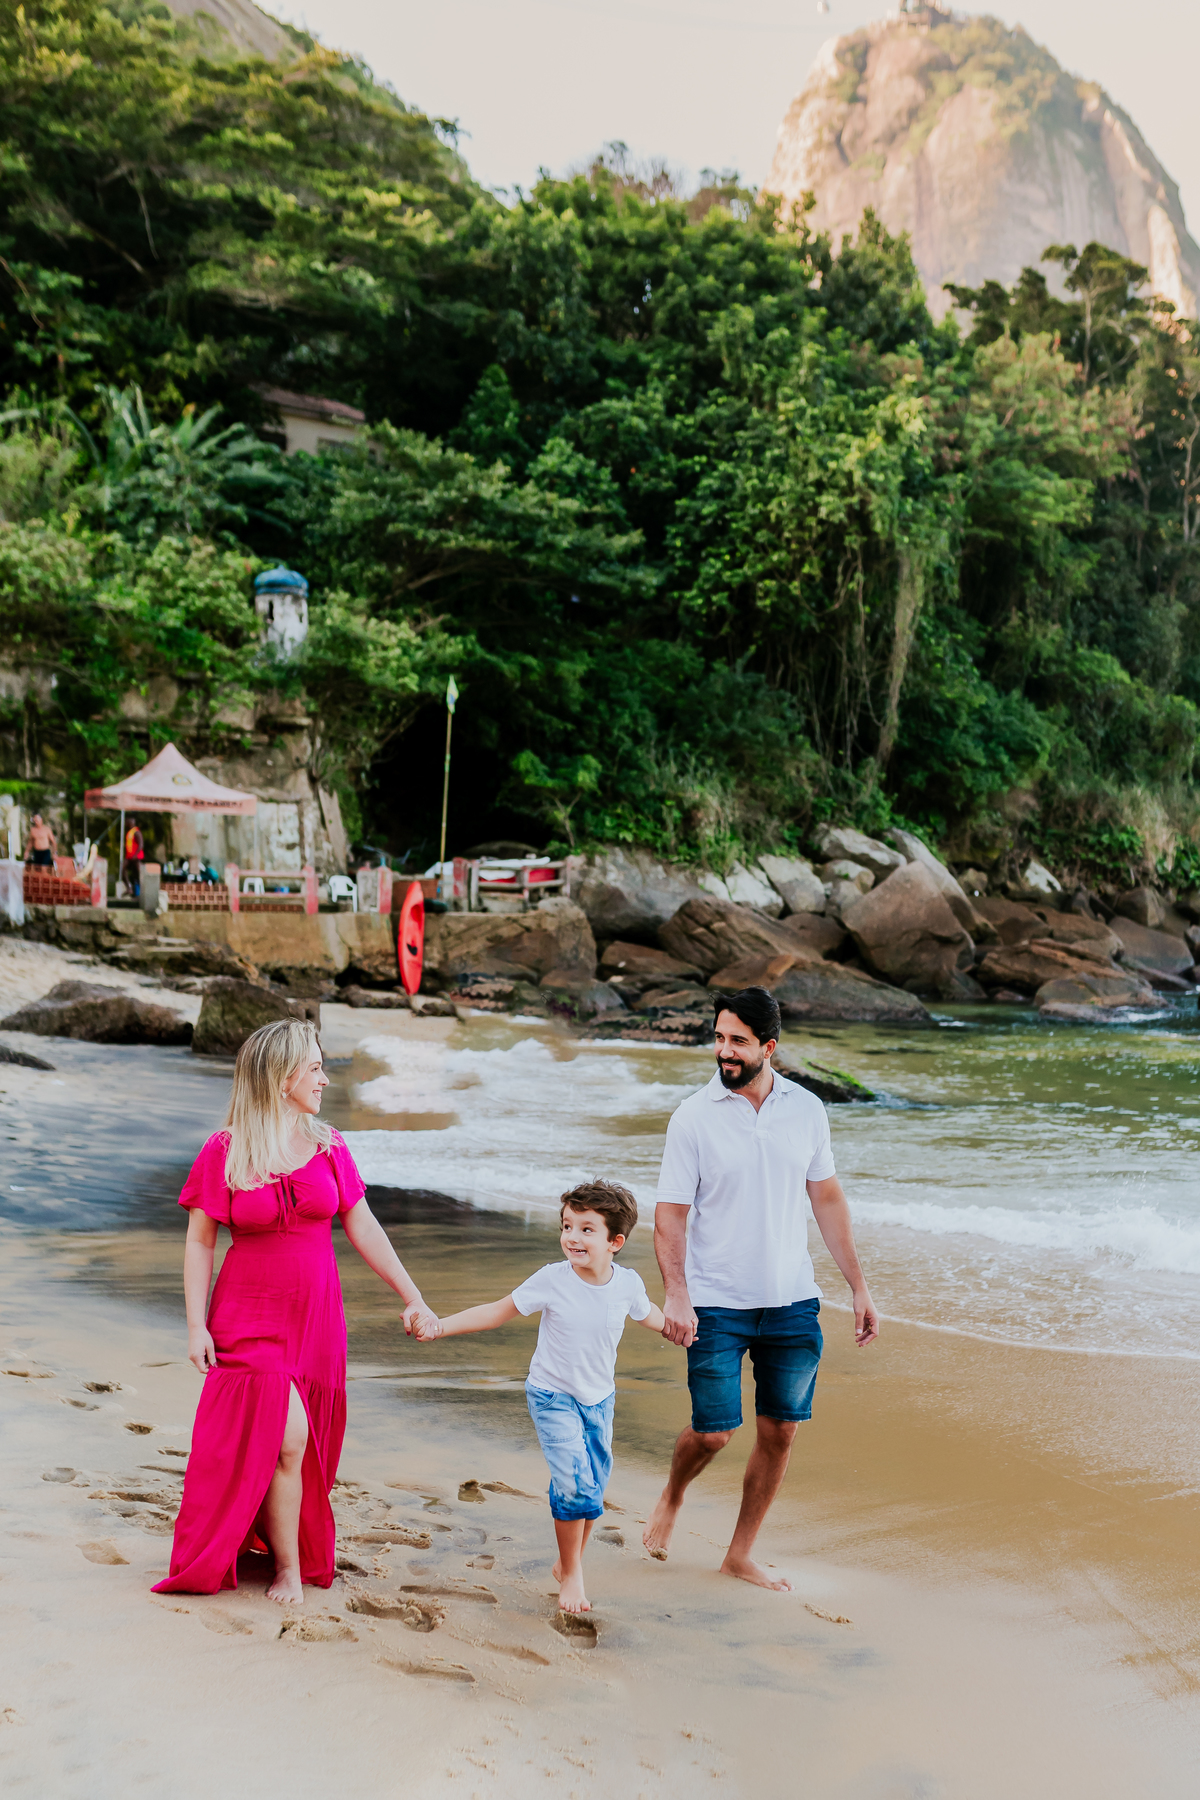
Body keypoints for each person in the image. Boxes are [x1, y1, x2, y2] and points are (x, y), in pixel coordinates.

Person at [154, 1019, 436, 1604]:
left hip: (316, 1319)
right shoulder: (225, 1149)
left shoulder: (330, 1146)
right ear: (282, 1077)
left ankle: (279, 1551)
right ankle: (286, 1567)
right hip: (247, 1316)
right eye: (314, 1067)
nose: (324, 1079)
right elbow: (200, 1241)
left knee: (302, 1447)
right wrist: (195, 1324)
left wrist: (412, 1296)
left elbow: (364, 1227)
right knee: (285, 1437)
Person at [643, 986, 879, 1591]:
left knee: (781, 1430)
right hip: (716, 1303)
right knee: (714, 1431)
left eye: (738, 1041)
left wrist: (858, 1286)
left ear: (769, 1047)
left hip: (792, 1302)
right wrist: (676, 1294)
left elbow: (827, 1199)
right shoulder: (693, 1117)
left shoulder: (807, 1110)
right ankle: (674, 1493)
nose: (724, 1051)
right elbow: (670, 1214)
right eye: (719, 1038)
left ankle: (739, 1555)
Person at [417, 1180, 667, 1613]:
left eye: (586, 1229)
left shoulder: (627, 1284)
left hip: (599, 1401)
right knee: (574, 1486)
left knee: (592, 1490)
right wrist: (441, 1326)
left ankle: (568, 1563)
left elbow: (651, 1316)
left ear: (615, 1242)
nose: (572, 1237)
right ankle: (571, 1574)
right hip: (552, 1396)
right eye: (567, 1226)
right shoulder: (553, 1279)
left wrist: (683, 1330)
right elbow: (497, 1312)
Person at [123, 817, 144, 897]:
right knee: (123, 870)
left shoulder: (136, 832)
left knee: (138, 873)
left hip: (136, 857)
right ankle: (129, 888)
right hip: (129, 857)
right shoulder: (130, 832)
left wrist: (136, 854)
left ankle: (140, 891)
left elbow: (141, 844)